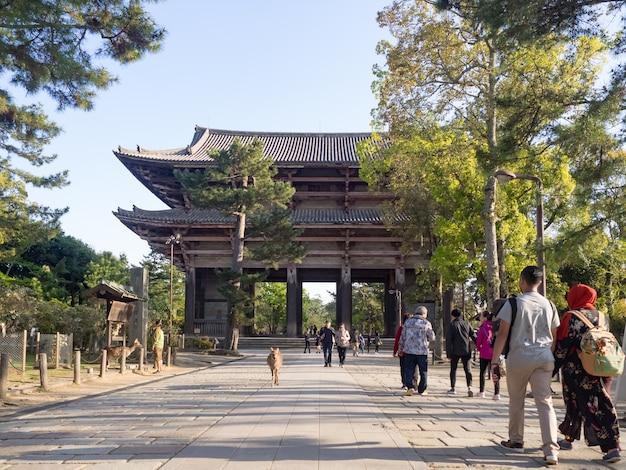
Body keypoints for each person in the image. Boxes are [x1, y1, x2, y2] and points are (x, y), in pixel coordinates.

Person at [491, 266, 560, 466]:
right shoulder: (549, 305)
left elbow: (503, 334)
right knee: (545, 403)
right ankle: (550, 450)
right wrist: (549, 354)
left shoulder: (513, 304)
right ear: (540, 282)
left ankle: (516, 441)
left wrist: (495, 361)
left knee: (516, 400)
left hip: (519, 356)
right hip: (543, 357)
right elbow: (554, 334)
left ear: (522, 280)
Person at [554, 284, 621, 463]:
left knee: (584, 404)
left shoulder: (571, 317)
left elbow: (563, 345)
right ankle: (570, 437)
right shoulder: (601, 316)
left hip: (578, 369)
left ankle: (612, 448)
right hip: (602, 366)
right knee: (597, 402)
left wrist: (551, 368)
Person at [398, 306, 435, 396]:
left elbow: (402, 336)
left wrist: (400, 348)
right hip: (422, 351)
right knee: (423, 371)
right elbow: (432, 337)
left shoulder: (408, 322)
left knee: (409, 370)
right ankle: (422, 389)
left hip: (409, 350)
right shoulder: (426, 323)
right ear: (424, 314)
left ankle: (410, 387)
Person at [445, 308, 476, 397]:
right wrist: (478, 344)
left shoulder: (451, 325)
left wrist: (448, 353)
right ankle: (469, 386)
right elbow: (473, 335)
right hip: (466, 349)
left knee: (453, 369)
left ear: (452, 316)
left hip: (455, 350)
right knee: (467, 369)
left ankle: (453, 387)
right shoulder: (466, 324)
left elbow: (448, 340)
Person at [475, 311, 500, 399]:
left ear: (485, 318)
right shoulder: (496, 327)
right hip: (495, 352)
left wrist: (479, 348)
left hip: (484, 353)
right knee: (495, 372)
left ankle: (482, 391)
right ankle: (496, 393)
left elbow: (478, 341)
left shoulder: (483, 328)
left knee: (482, 372)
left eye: (481, 316)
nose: (480, 318)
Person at [393, 312, 414, 389]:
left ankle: (405, 383)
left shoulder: (402, 328)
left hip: (403, 351)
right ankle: (411, 382)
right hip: (411, 351)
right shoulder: (412, 328)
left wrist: (395, 351)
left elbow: (397, 340)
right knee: (412, 368)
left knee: (404, 368)